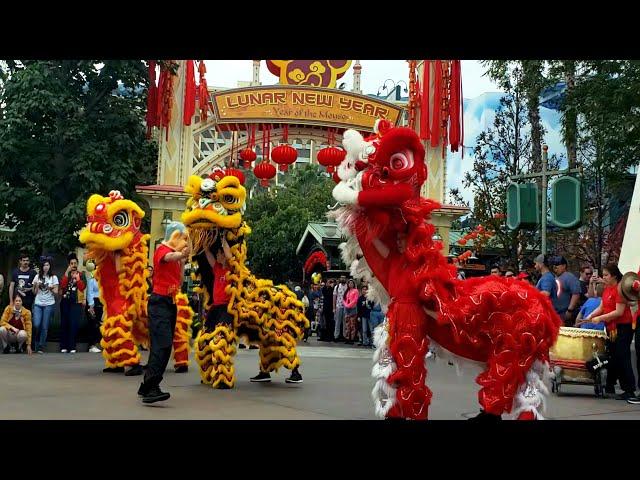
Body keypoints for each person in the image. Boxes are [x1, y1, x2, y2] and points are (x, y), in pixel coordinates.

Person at [138, 222, 190, 403]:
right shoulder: (162, 248)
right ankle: (151, 387)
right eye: (183, 237)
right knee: (163, 345)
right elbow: (168, 257)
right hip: (159, 302)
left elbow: (180, 281)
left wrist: (182, 262)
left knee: (163, 345)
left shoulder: (176, 258)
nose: (184, 241)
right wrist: (180, 255)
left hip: (170, 302)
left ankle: (147, 386)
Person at [584, 263, 636, 400]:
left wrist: (599, 318)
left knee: (622, 357)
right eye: (603, 275)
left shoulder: (619, 289)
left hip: (622, 327)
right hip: (611, 328)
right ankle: (610, 385)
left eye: (606, 275)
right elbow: (602, 307)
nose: (604, 277)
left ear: (614, 276)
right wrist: (590, 316)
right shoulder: (607, 288)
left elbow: (618, 312)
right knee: (612, 355)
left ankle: (629, 389)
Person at [59, 253, 87, 354]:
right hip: (65, 302)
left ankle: (72, 346)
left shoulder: (81, 274)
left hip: (76, 303)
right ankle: (63, 346)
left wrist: (78, 279)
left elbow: (82, 287)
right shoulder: (66, 274)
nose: (73, 265)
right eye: (71, 263)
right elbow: (62, 285)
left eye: (75, 263)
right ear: (69, 264)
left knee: (73, 324)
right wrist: (67, 272)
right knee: (64, 324)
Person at [32, 258, 59, 354]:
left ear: (50, 266)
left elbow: (56, 292)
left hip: (49, 303)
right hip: (38, 303)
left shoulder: (53, 277)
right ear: (41, 267)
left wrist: (50, 287)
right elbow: (34, 292)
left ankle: (40, 346)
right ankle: (34, 343)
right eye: (44, 265)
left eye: (47, 265)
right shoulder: (37, 276)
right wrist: (36, 286)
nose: (45, 267)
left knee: (44, 326)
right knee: (36, 324)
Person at [552, 256, 582, 326]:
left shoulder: (570, 277)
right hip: (555, 313)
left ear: (564, 266)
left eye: (557, 266)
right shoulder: (554, 277)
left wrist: (570, 310)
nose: (555, 268)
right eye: (554, 266)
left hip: (565, 313)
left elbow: (576, 293)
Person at [85, 260, 103, 353]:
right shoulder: (92, 279)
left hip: (101, 301)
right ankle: (91, 345)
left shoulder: (103, 278)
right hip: (93, 302)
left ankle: (97, 343)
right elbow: (90, 292)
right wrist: (91, 306)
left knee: (99, 324)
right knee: (93, 323)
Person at [342, 280, 359, 344]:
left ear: (353, 284)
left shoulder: (356, 291)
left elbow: (355, 300)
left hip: (353, 309)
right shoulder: (347, 291)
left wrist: (349, 305)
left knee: (352, 324)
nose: (350, 284)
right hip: (346, 309)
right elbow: (343, 299)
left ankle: (352, 339)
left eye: (351, 283)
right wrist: (346, 305)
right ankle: (347, 338)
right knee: (347, 324)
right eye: (349, 283)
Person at [333, 275, 348, 341]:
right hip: (338, 306)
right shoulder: (337, 287)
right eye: (341, 277)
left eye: (344, 278)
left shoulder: (348, 287)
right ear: (340, 279)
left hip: (346, 306)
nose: (343, 279)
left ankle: (345, 336)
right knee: (337, 322)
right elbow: (334, 297)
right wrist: (334, 308)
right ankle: (336, 336)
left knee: (345, 322)